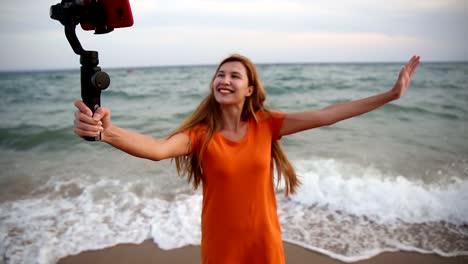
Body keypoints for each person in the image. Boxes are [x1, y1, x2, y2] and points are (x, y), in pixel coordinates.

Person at [73, 54, 420, 263]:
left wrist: (390, 95)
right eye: (220, 75)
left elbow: (329, 114)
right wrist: (105, 132)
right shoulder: (200, 135)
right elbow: (155, 148)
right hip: (222, 249)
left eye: (234, 75)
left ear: (250, 88)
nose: (224, 80)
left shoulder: (267, 125)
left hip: (264, 244)